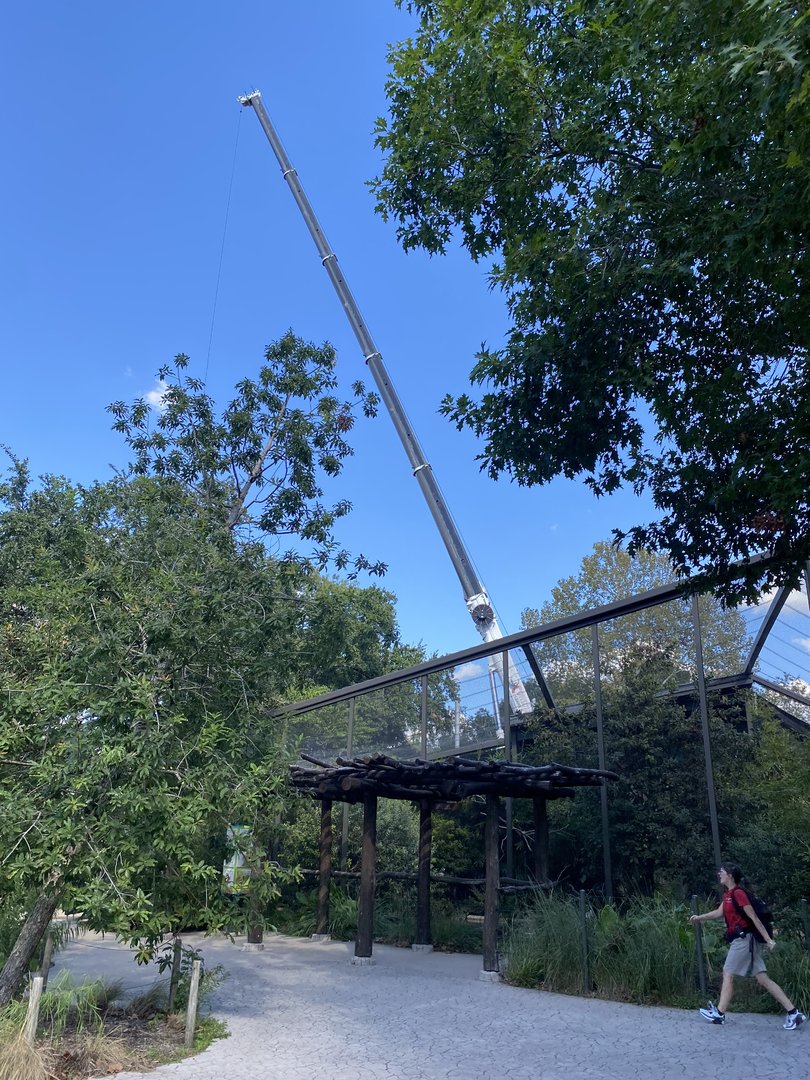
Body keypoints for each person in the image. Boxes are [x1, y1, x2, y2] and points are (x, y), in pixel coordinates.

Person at [689, 865, 806, 1029]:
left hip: (744, 940)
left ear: (730, 875)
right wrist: (699, 918)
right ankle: (794, 1013)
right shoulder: (728, 894)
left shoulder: (739, 894)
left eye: (722, 872)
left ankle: (719, 1014)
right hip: (743, 941)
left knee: (728, 972)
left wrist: (768, 940)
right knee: (763, 979)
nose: (719, 874)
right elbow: (718, 913)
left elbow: (754, 918)